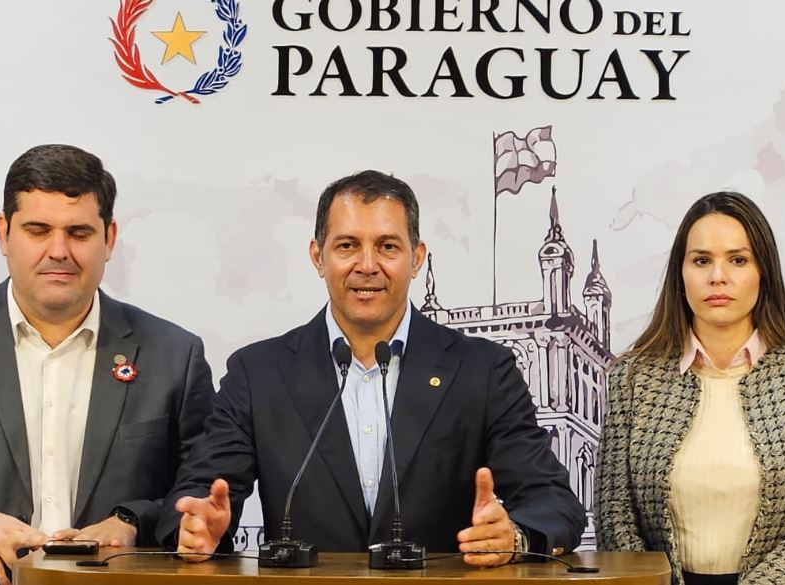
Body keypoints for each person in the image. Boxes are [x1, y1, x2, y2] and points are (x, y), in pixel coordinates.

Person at [157, 170, 586, 565]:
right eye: (347, 246)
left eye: (387, 246)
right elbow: (199, 493)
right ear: (318, 256)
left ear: (416, 258)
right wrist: (197, 529)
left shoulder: (483, 369)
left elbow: (552, 501)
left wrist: (515, 536)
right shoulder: (258, 373)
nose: (367, 265)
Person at [0, 144, 215, 585]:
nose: (58, 251)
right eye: (37, 230)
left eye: (79, 233)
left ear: (108, 239)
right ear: (3, 233)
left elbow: (200, 493)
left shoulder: (174, 353)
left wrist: (131, 522)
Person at [595, 191, 785, 585]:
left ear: (762, 272)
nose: (718, 276)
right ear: (680, 275)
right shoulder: (633, 378)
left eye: (737, 260)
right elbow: (616, 516)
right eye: (701, 260)